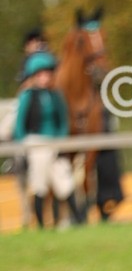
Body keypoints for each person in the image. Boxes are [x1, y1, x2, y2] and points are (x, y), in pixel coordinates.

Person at [13, 50, 83, 229]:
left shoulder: (55, 96)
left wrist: (60, 140)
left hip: (55, 143)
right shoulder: (28, 96)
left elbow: (63, 121)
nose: (45, 77)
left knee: (64, 181)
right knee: (40, 184)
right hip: (36, 143)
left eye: (48, 73)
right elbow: (20, 124)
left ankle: (79, 221)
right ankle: (41, 225)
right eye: (41, 74)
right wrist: (24, 146)